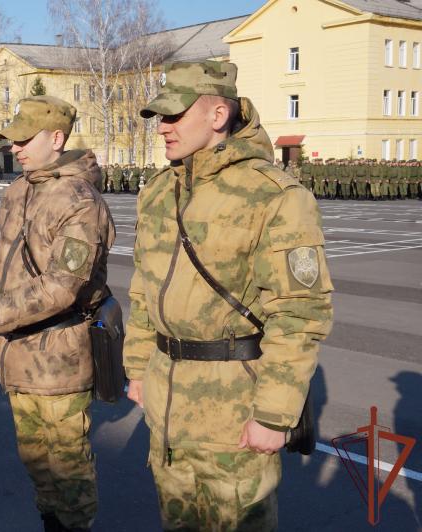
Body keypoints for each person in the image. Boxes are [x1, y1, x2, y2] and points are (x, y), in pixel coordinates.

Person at [124, 61, 334, 530]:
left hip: (234, 415)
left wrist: (274, 415)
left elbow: (300, 315)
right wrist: (138, 368)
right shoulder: (159, 193)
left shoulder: (275, 195)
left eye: (175, 115)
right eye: (160, 117)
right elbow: (144, 289)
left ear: (218, 115)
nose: (163, 127)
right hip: (167, 405)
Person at [0, 95, 114, 532]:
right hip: (18, 353)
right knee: (37, 464)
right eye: (12, 139)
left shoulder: (80, 200)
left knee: (68, 471)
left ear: (56, 138)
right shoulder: (21, 189)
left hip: (59, 358)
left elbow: (61, 287)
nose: (15, 148)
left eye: (25, 139)